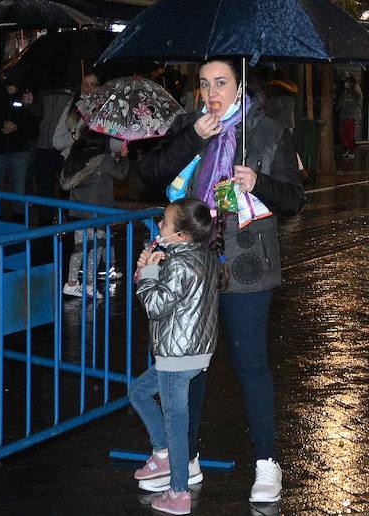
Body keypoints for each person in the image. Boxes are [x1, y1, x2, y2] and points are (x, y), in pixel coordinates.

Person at [140, 58, 304, 505]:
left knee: (250, 363)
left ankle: (267, 463)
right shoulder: (194, 128)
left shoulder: (268, 132)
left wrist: (260, 183)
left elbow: (293, 200)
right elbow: (150, 176)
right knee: (190, 367)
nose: (211, 92)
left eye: (221, 82)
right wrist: (194, 138)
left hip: (248, 267)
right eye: (204, 83)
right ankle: (186, 456)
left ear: (240, 86)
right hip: (193, 269)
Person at [128, 197, 224, 514]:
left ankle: (179, 492)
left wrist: (151, 272)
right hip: (195, 352)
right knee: (139, 391)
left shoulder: (179, 263)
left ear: (181, 235)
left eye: (164, 223)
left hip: (176, 356)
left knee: (175, 422)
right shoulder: (204, 255)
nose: (159, 226)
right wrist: (147, 271)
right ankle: (162, 454)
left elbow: (156, 307)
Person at [55, 73, 130, 297]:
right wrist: (123, 156)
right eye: (85, 84)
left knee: (84, 246)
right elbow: (58, 141)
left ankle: (81, 282)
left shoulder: (107, 111)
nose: (88, 88)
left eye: (93, 85)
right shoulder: (72, 110)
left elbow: (114, 141)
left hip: (80, 202)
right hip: (95, 204)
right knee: (92, 246)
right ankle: (87, 284)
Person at [0, 75, 37, 200]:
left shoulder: (23, 91)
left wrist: (26, 107)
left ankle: (18, 217)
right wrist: (0, 125)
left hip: (19, 150)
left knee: (19, 191)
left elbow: (33, 128)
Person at [337, 74, 362, 159]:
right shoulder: (345, 91)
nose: (346, 83)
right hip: (345, 115)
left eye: (347, 81)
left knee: (350, 134)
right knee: (344, 133)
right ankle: (347, 148)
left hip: (351, 115)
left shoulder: (355, 91)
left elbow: (356, 104)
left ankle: (351, 149)